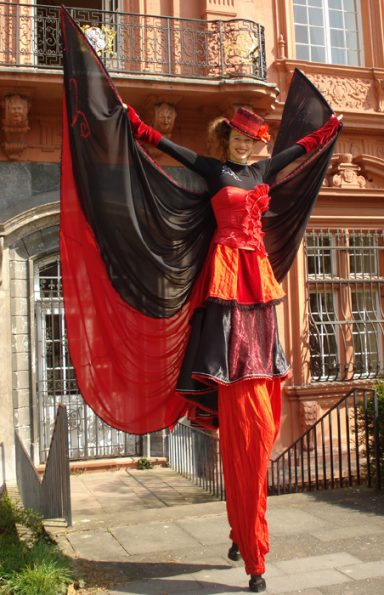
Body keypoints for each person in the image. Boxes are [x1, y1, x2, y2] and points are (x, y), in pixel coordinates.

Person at [122, 104, 341, 592]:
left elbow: (302, 150)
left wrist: (331, 128)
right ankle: (248, 542)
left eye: (251, 139)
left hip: (257, 279)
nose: (244, 145)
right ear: (228, 139)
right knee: (236, 405)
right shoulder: (213, 169)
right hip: (224, 275)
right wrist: (134, 123)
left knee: (257, 423)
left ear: (260, 143)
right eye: (237, 138)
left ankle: (244, 532)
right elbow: (165, 147)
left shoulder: (264, 168)